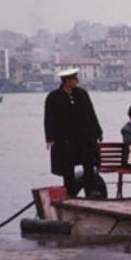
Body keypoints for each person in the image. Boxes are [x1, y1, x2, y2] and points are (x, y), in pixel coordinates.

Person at [44, 68, 103, 197]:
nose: (77, 81)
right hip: (65, 139)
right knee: (67, 166)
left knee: (89, 164)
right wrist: (49, 137)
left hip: (84, 137)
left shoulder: (82, 94)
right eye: (74, 79)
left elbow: (91, 113)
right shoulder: (53, 97)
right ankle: (70, 192)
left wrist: (98, 130)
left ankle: (91, 191)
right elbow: (49, 118)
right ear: (66, 81)